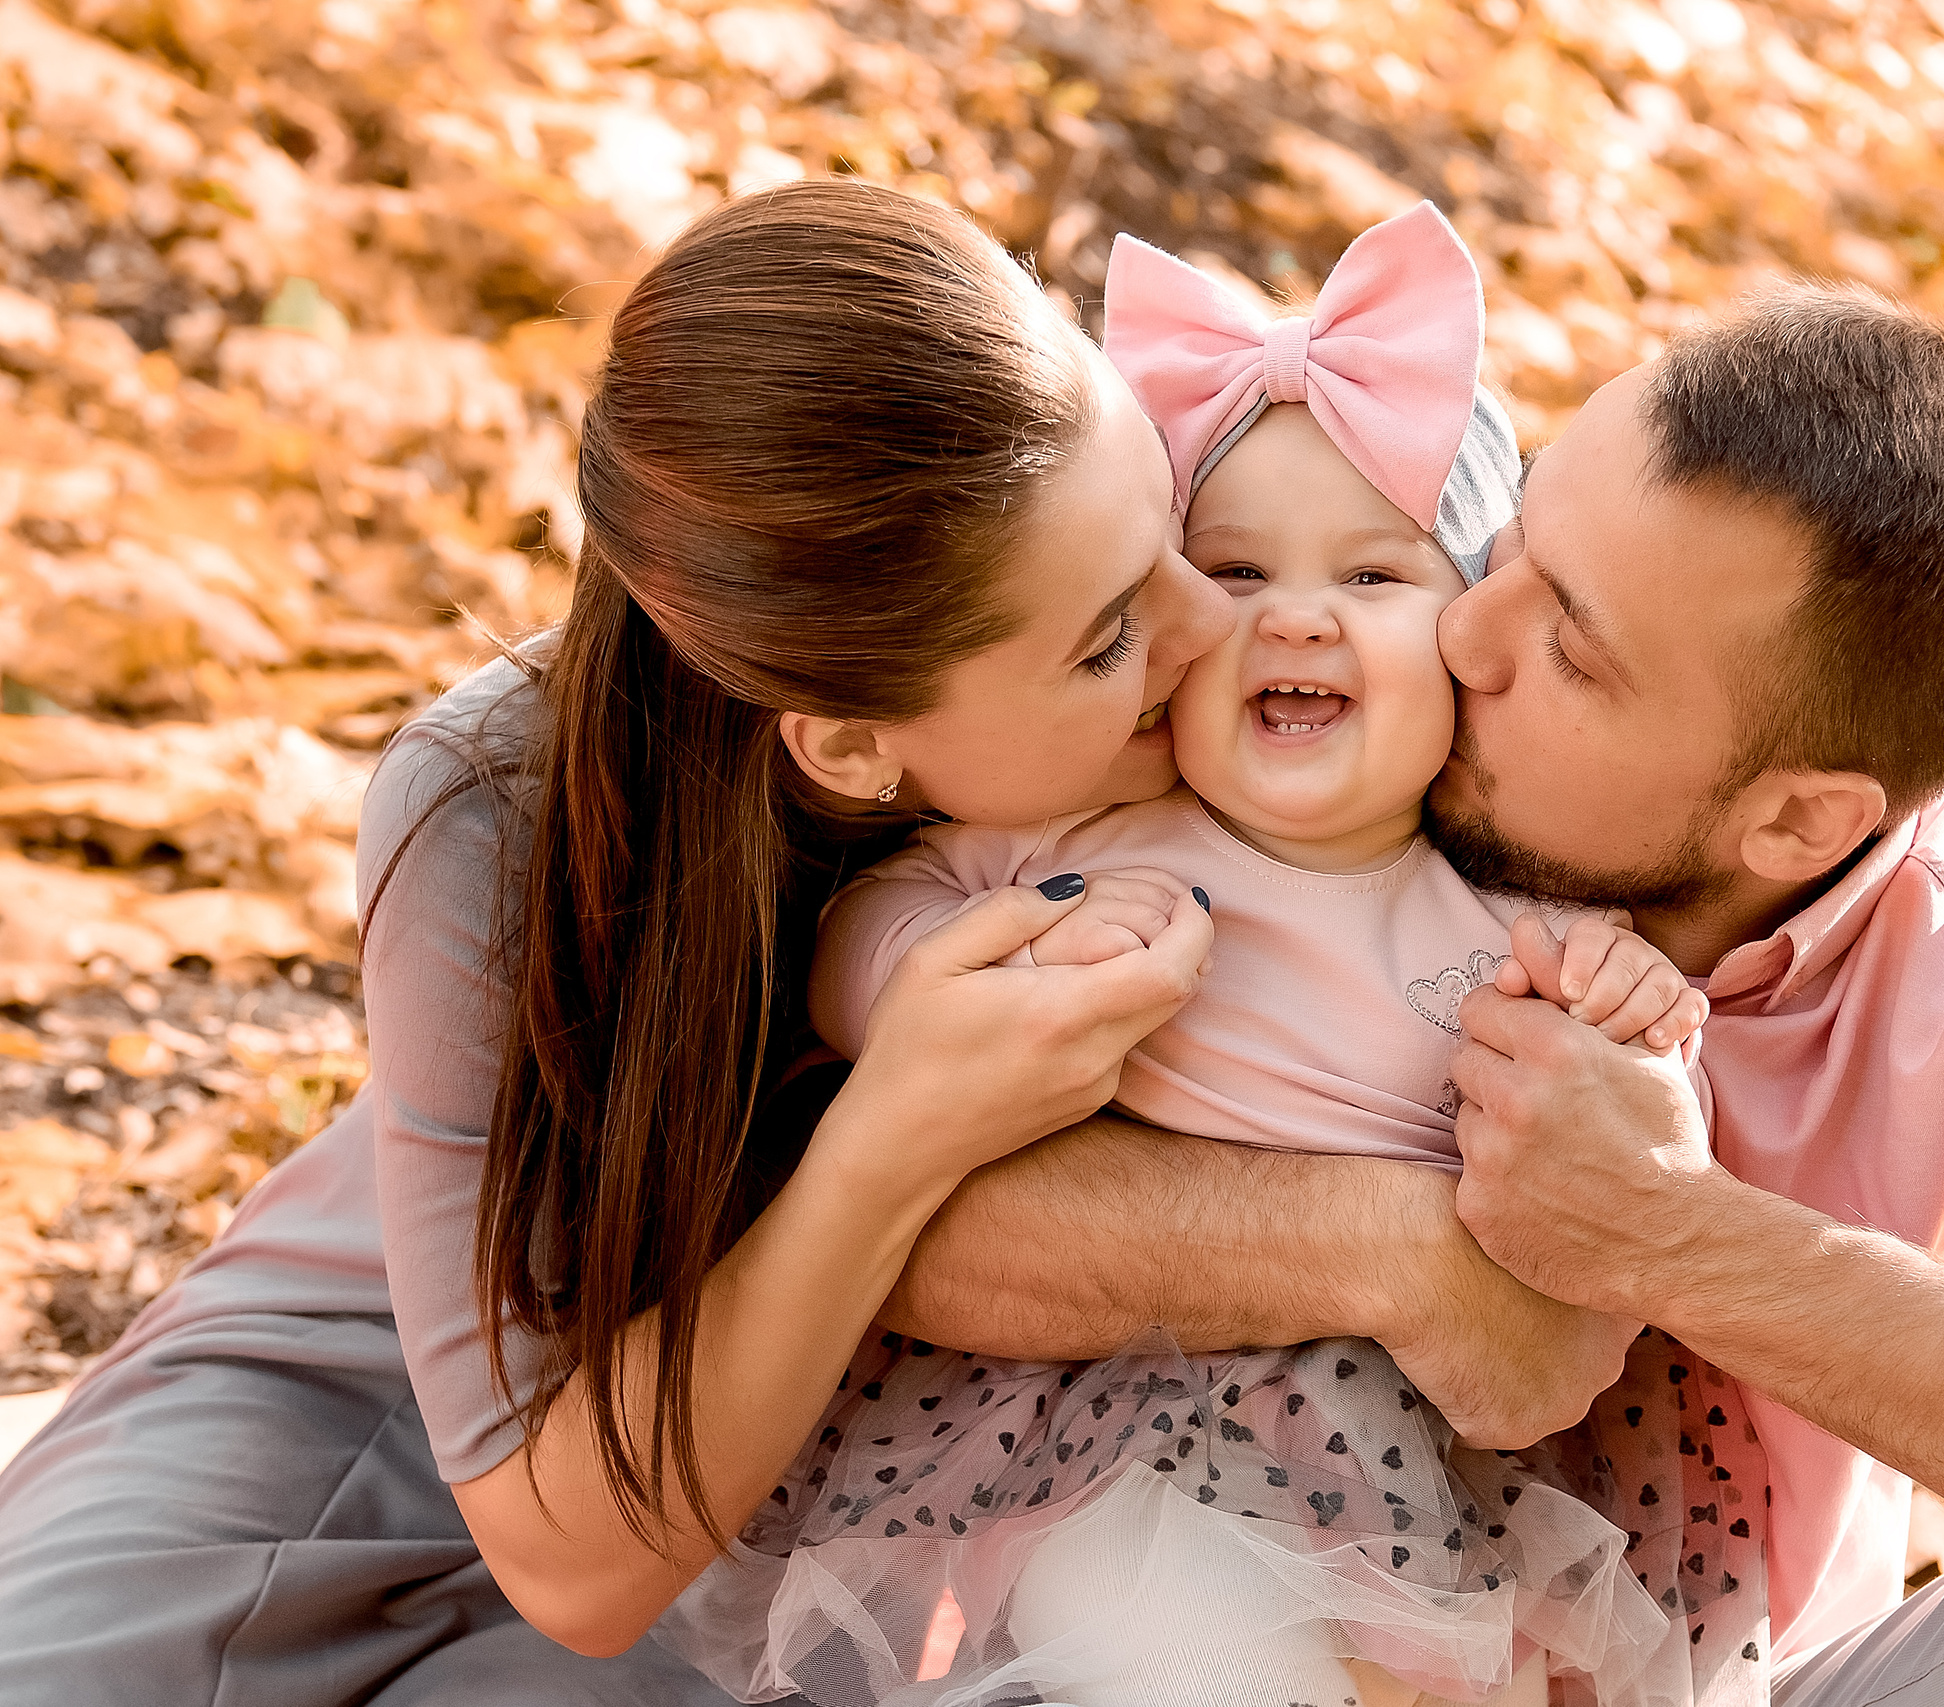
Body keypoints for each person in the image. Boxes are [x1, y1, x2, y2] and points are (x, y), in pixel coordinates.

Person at [0, 179, 1593, 1706]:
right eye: (1112, 632)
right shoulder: (493, 798)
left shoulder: (1263, 679)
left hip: (862, 1494)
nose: (1207, 624)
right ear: (848, 749)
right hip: (428, 1424)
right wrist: (895, 1133)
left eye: (1171, 528)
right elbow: (571, 1555)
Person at [853, 288, 1944, 1706]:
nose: (1465, 628)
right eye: (1514, 539)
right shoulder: (1270, 739)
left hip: (1677, 1672)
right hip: (1199, 1618)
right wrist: (1396, 1254)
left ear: (1800, 821)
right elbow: (846, 1185)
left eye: (1574, 648)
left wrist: (1669, 1236)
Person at [661, 205, 1758, 1707]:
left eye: (1375, 582)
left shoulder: (1511, 916)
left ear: (1470, 641)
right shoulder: (1096, 840)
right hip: (1114, 1415)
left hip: (1430, 1441)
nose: (1294, 616)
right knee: (1183, 1639)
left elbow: (1639, 1140)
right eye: (1230, 574)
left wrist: (1645, 1026)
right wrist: (976, 969)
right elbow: (865, 935)